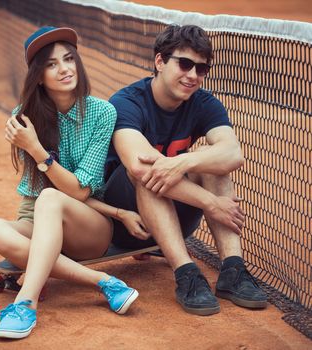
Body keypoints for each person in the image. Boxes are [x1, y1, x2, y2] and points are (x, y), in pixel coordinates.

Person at [0, 26, 147, 339]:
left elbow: (78, 191)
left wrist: (36, 149)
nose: (65, 69)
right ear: (38, 75)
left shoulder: (102, 113)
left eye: (69, 59)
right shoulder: (24, 117)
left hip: (88, 225)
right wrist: (30, 143)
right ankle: (104, 283)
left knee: (50, 198)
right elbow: (35, 197)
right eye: (52, 64)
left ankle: (25, 303)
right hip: (42, 218)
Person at [104, 24, 267, 316]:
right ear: (159, 61)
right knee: (144, 172)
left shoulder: (204, 104)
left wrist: (185, 161)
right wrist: (211, 203)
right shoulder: (126, 102)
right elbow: (141, 168)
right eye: (185, 64)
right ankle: (186, 274)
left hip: (175, 220)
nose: (193, 75)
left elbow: (233, 154)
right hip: (124, 221)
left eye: (201, 69)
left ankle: (233, 270)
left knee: (213, 163)